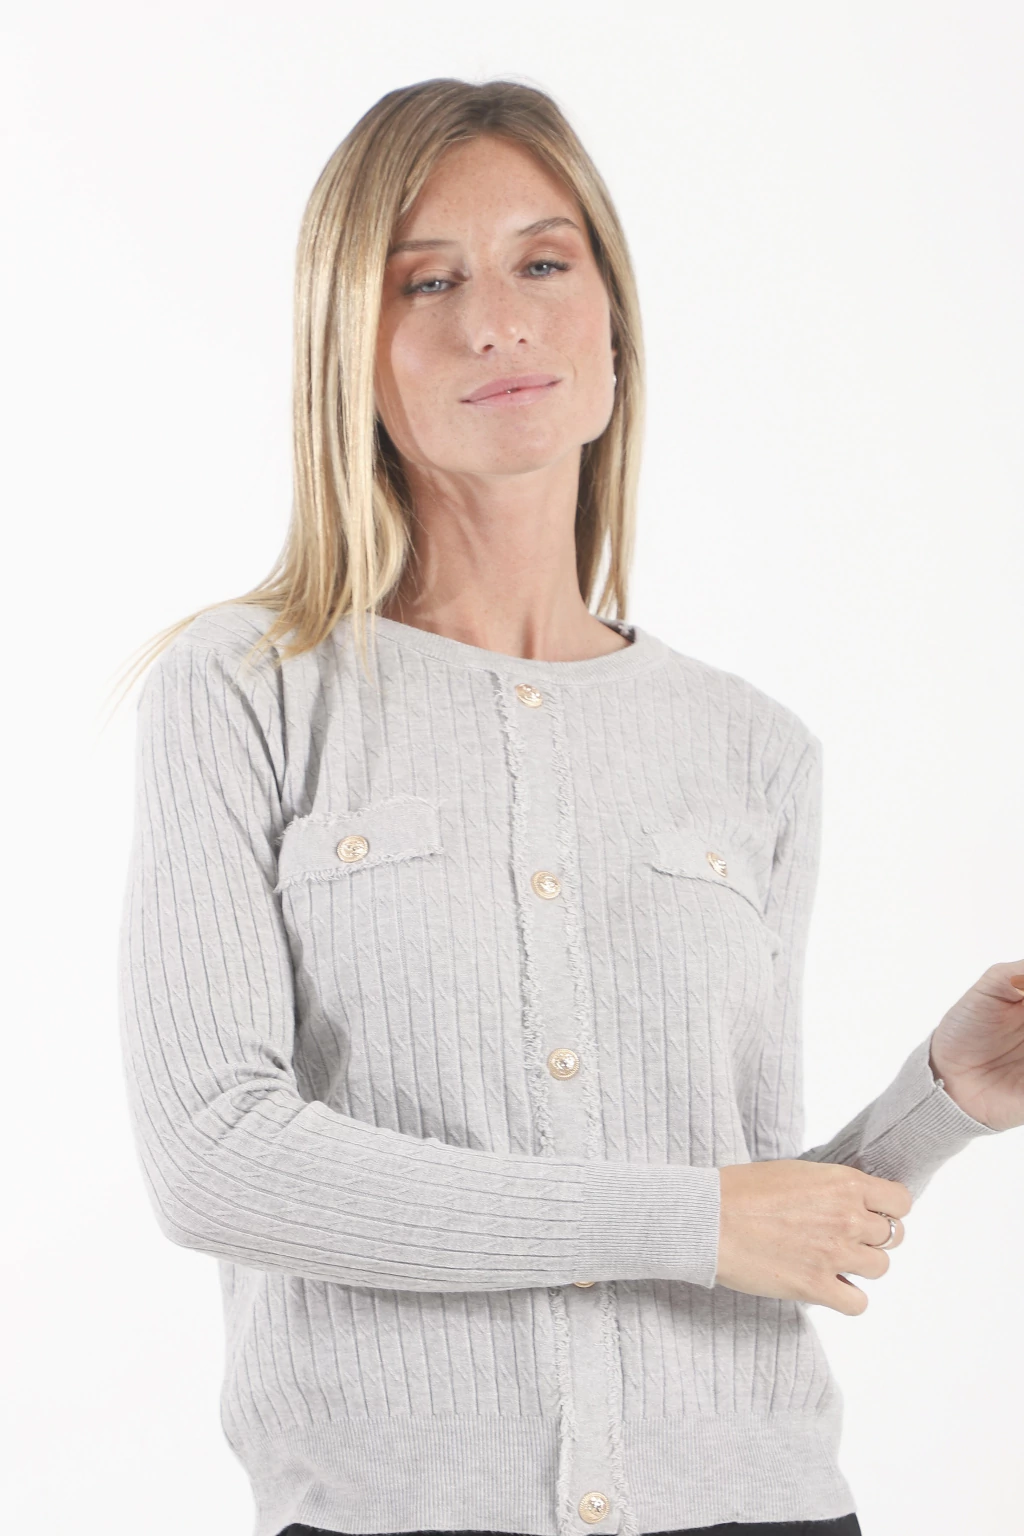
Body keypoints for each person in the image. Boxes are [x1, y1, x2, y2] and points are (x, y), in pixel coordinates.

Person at [116, 77, 1022, 1536]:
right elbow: (215, 1158)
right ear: (349, 349)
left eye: (543, 262)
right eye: (428, 281)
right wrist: (687, 1218)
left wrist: (941, 1104)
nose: (498, 322)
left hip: (760, 1504)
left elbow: (750, 1220)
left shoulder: (755, 749)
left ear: (613, 328)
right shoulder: (246, 689)